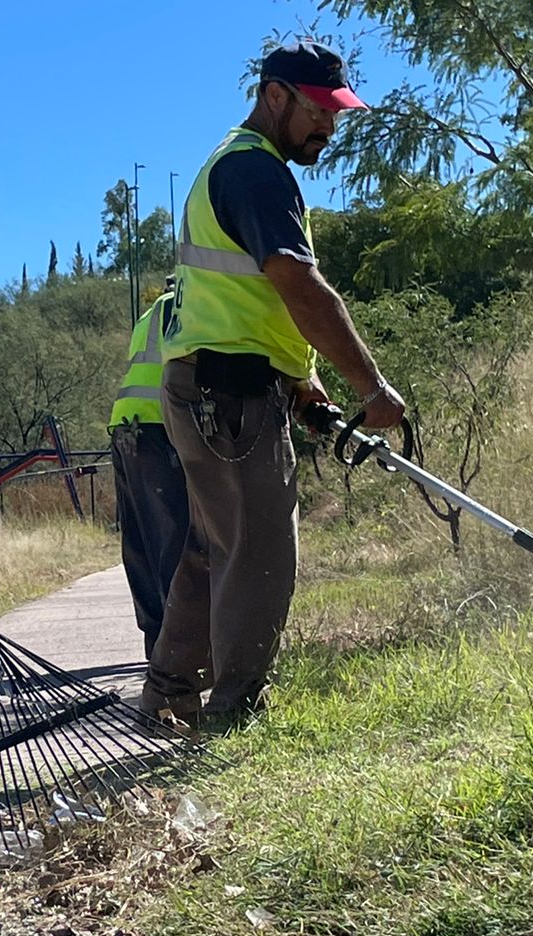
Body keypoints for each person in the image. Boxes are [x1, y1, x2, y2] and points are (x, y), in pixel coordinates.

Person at [140, 41, 407, 729]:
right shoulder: (256, 173)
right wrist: (371, 387)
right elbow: (298, 285)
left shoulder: (233, 165)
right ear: (275, 95)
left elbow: (256, 302)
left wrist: (304, 377)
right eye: (318, 110)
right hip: (229, 396)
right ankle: (234, 712)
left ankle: (170, 692)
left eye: (336, 113)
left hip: (209, 386)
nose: (328, 126)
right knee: (259, 553)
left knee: (213, 548)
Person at [109, 281, 189, 660]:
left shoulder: (150, 311)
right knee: (172, 540)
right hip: (159, 427)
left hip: (127, 425)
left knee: (140, 543)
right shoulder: (180, 305)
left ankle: (157, 645)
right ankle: (178, 649)